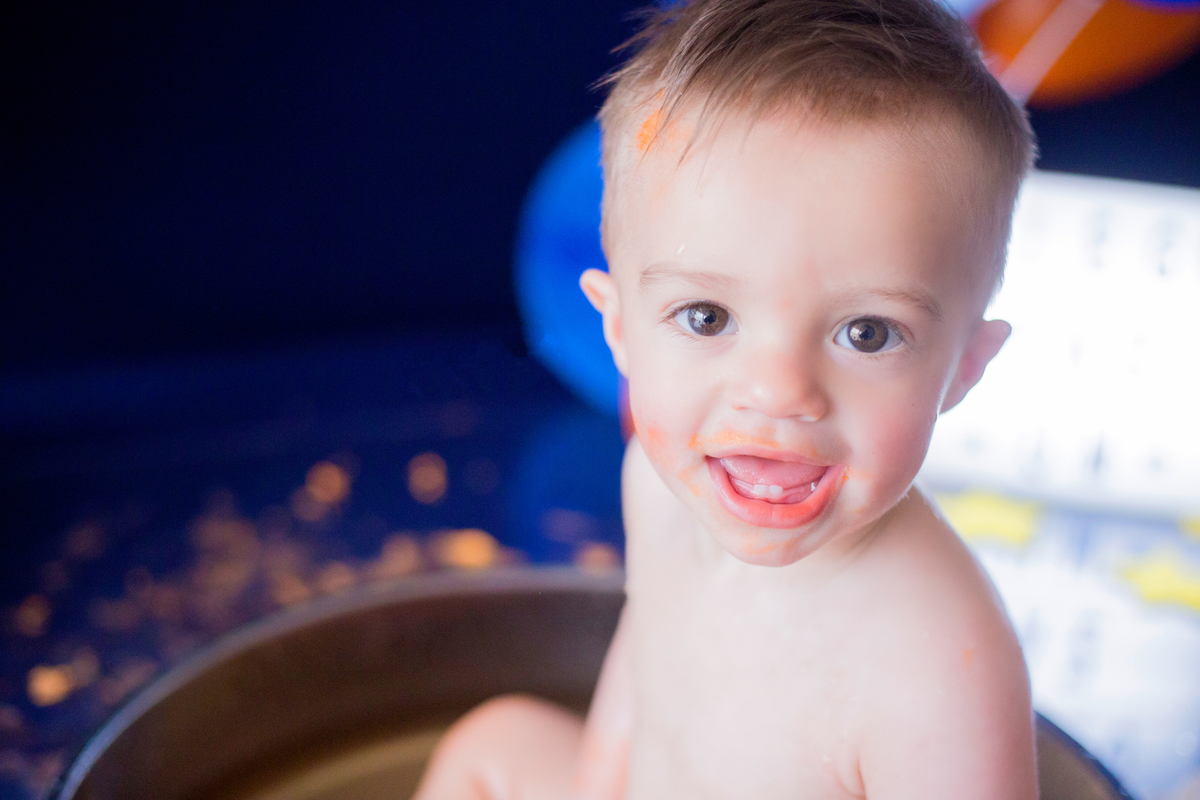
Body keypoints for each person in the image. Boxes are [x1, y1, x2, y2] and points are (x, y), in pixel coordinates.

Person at [415, 0, 1038, 796]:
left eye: (867, 333)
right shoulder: (658, 481)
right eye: (707, 317)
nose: (777, 393)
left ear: (964, 368)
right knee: (494, 741)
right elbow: (647, 653)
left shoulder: (939, 667)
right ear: (619, 330)